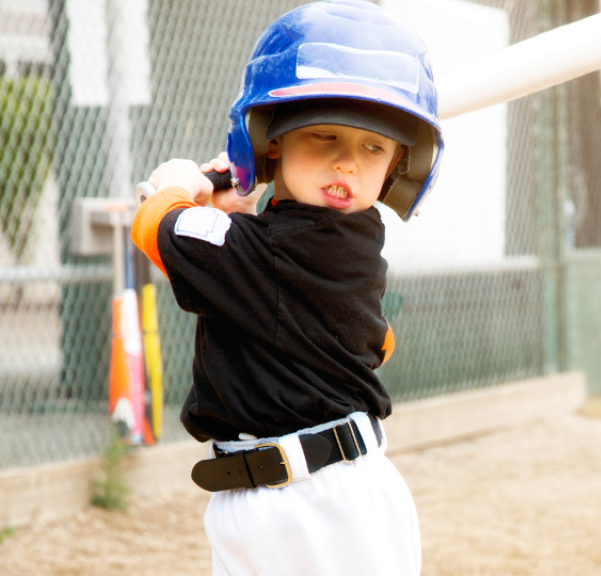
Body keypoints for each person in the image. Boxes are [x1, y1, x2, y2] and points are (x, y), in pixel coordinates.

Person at [130, 1, 443, 574]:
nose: (347, 164)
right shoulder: (341, 242)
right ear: (273, 142)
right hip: (296, 496)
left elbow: (158, 225)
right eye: (324, 136)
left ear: (398, 165)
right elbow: (372, 342)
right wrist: (235, 205)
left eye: (373, 147)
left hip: (319, 505)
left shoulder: (293, 249)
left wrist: (175, 182)